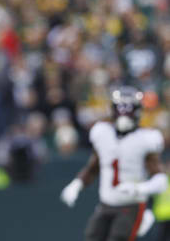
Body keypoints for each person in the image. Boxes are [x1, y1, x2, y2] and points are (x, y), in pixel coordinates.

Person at [60, 86, 167, 241]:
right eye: (120, 108)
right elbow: (94, 167)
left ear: (137, 111)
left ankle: (142, 217)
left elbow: (161, 181)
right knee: (92, 237)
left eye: (128, 109)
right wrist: (76, 184)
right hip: (106, 203)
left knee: (118, 237)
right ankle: (141, 220)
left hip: (131, 205)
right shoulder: (103, 133)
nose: (124, 114)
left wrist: (138, 189)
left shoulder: (146, 138)